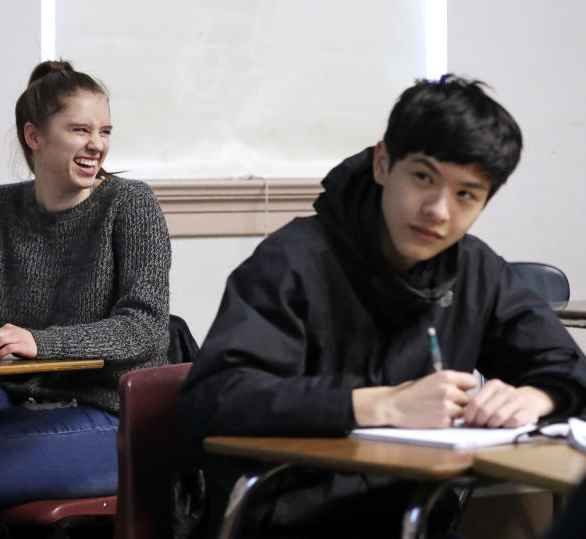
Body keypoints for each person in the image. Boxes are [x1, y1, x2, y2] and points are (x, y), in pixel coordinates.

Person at [177, 75, 586, 538]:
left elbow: (566, 364)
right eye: (423, 178)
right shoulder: (293, 259)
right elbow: (215, 397)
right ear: (383, 163)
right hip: (289, 517)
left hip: (417, 514)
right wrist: (379, 404)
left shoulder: (475, 268)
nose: (438, 210)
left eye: (465, 194)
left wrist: (536, 396)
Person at [0, 60, 171, 537]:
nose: (97, 144)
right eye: (79, 129)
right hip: (12, 404)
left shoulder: (129, 205)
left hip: (111, 419)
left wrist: (40, 341)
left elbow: (146, 327)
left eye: (104, 130)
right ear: (35, 136)